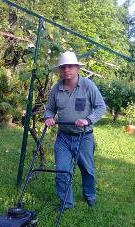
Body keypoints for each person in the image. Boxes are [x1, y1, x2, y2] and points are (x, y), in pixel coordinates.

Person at [44, 51, 106, 210]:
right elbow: (50, 109)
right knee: (62, 170)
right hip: (63, 137)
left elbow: (101, 107)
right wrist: (48, 118)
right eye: (63, 67)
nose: (66, 70)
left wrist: (88, 120)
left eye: (70, 66)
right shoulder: (56, 89)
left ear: (77, 68)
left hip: (84, 137)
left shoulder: (87, 85)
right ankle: (67, 202)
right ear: (60, 70)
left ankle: (90, 195)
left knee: (87, 169)